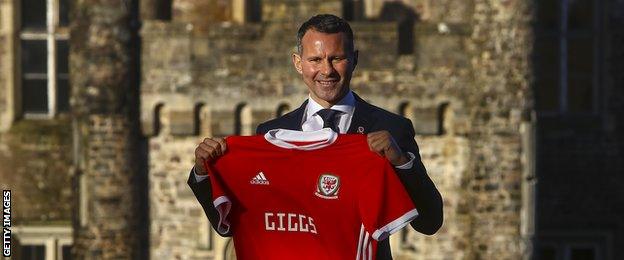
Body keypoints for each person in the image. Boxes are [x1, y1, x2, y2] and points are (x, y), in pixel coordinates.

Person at [188, 14, 443, 259]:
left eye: (337, 58)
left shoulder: (391, 129)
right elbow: (234, 223)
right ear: (298, 63)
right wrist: (203, 171)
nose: (327, 70)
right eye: (315, 60)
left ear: (354, 59)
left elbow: (430, 222)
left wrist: (401, 162)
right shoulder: (270, 134)